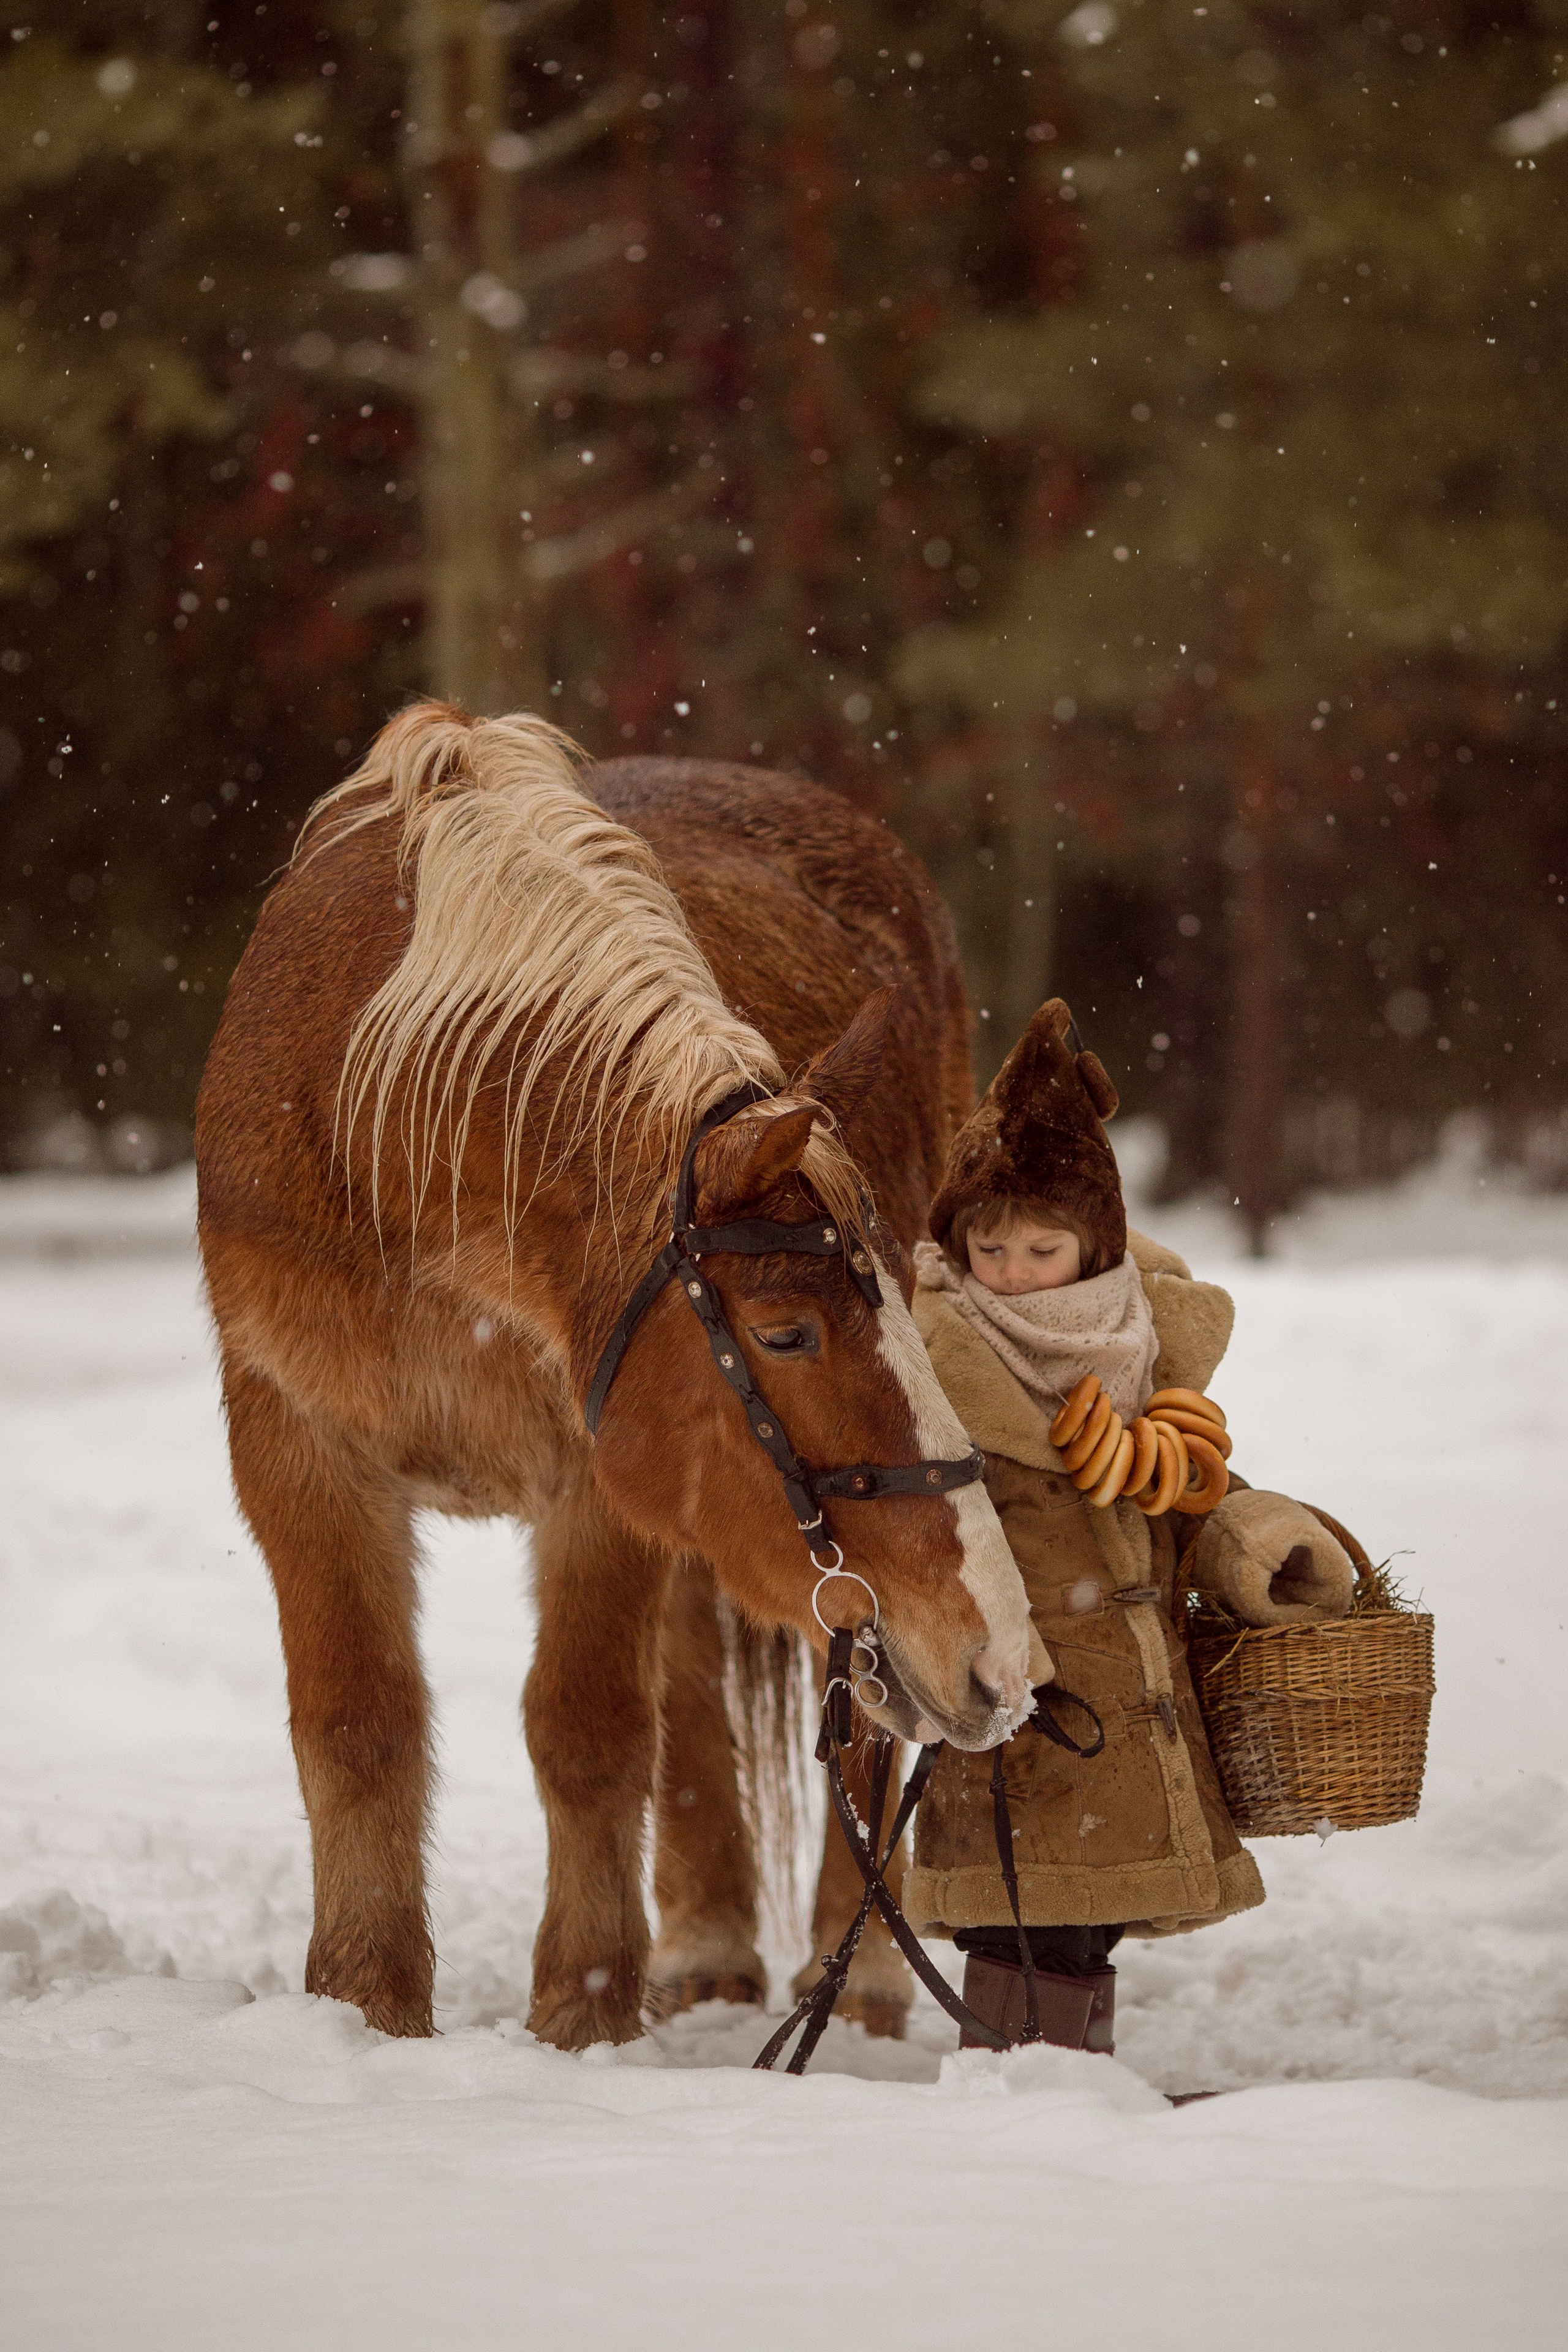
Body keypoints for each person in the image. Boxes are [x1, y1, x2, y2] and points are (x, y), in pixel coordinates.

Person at [905, 998, 1357, 2054]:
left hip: (1132, 1699)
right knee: (1023, 1907)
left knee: (1086, 1918)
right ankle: (1024, 2083)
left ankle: (1066, 2074)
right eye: (990, 1247)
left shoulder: (1139, 1353)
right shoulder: (937, 1367)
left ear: (1096, 1247)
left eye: (1042, 1248)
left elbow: (1187, 1495)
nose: (1012, 1272)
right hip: (1026, 1693)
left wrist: (1259, 1544)